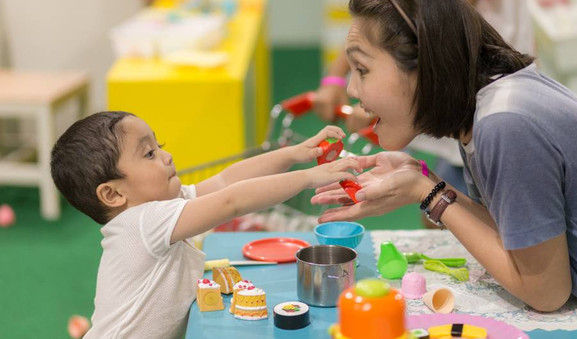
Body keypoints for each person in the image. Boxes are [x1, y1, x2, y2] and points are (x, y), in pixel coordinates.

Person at [311, 0, 577, 337]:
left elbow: (546, 291)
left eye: (363, 70)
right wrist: (423, 180)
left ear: (424, 66)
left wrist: (427, 193)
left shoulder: (505, 123)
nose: (353, 90)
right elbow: (517, 234)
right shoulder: (492, 103)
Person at [50, 111, 359, 338]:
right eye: (149, 153)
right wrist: (307, 178)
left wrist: (295, 153)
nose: (167, 156)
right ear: (114, 194)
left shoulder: (160, 208)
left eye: (159, 145)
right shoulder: (142, 222)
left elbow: (227, 180)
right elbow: (231, 201)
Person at [315, 0, 533, 192]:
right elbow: (376, 16)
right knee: (450, 192)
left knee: (474, 198)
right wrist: (334, 78)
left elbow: (437, 32)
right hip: (452, 89)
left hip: (485, 89)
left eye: (363, 73)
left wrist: (372, 95)